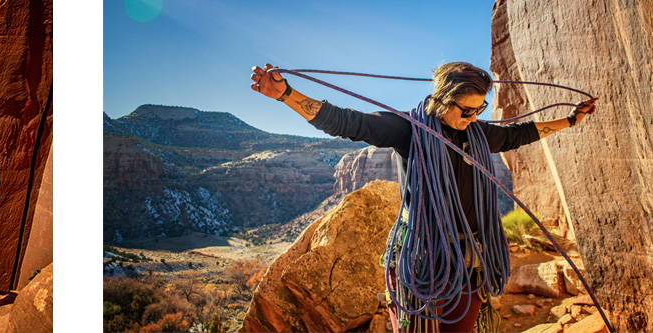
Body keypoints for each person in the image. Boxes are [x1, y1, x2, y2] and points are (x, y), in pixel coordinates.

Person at [249, 62, 595, 331]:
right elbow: (347, 122)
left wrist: (569, 120)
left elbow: (518, 134)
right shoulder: (408, 129)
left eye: (479, 109)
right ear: (442, 100)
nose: (472, 118)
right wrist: (286, 95)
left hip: (470, 257)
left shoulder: (476, 131)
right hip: (424, 255)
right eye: (465, 110)